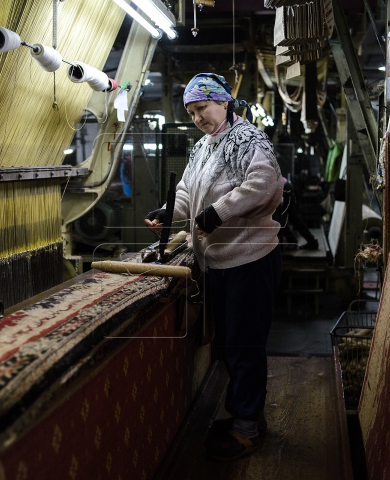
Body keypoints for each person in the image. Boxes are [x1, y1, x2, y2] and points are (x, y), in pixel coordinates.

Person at [144, 73, 283, 461]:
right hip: (220, 261)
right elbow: (188, 190)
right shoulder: (204, 146)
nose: (197, 118)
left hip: (249, 259)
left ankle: (246, 430)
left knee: (244, 345)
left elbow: (264, 183)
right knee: (229, 344)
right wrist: (170, 212)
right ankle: (248, 416)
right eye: (191, 112)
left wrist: (217, 214)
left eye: (202, 108)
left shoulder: (248, 140)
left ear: (224, 102)